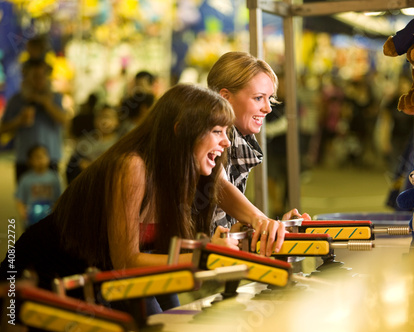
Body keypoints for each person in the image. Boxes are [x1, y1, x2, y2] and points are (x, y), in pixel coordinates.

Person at [0, 84, 284, 317]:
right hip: (42, 268)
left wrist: (254, 228)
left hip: (102, 272)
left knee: (182, 320)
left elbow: (216, 200)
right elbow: (126, 260)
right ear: (180, 130)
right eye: (217, 132)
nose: (225, 142)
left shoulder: (188, 171)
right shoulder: (133, 166)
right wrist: (204, 256)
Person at [207, 51, 310, 247]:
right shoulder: (206, 135)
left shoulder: (238, 141)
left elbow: (222, 223)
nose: (268, 108)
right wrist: (262, 221)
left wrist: (273, 228)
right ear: (225, 98)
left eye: (269, 99)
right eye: (258, 98)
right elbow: (217, 186)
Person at [0, 58, 68, 183]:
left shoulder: (55, 97)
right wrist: (19, 120)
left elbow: (66, 122)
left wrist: (47, 104)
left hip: (50, 159)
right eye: (35, 76)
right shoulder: (16, 100)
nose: (39, 80)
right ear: (26, 77)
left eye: (43, 76)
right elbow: (2, 129)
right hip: (24, 159)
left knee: (54, 200)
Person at [66, 105, 121, 183]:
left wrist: (90, 167)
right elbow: (70, 170)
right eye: (100, 116)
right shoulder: (84, 142)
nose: (103, 120)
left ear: (117, 122)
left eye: (108, 117)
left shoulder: (120, 144)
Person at [15, 144, 62, 229]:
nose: (41, 160)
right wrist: (22, 212)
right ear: (30, 161)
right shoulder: (25, 179)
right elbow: (19, 198)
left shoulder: (54, 178)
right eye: (37, 157)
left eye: (44, 156)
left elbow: (60, 197)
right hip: (31, 219)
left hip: (50, 219)